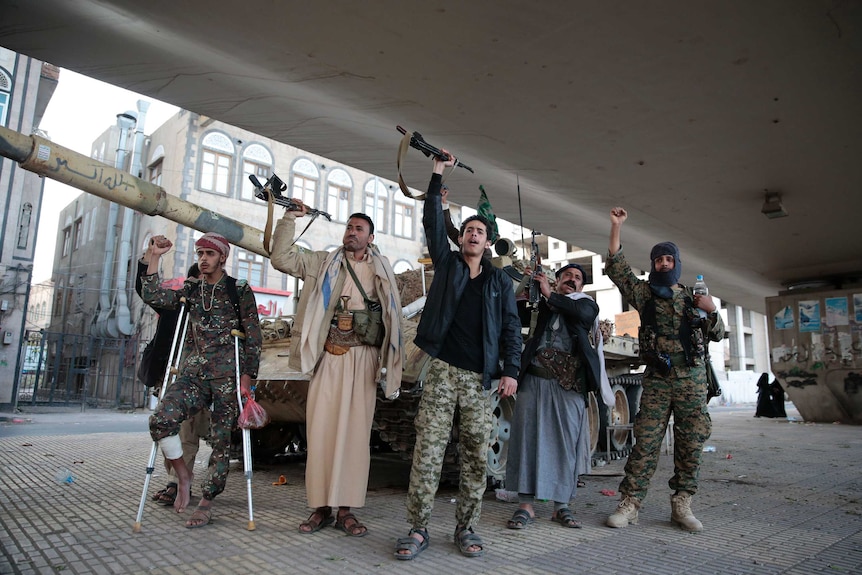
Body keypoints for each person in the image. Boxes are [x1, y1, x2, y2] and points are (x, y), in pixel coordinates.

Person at [394, 150, 522, 560]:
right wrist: (436, 176)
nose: (472, 234)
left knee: (473, 455)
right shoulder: (447, 266)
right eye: (467, 229)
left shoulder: (499, 282)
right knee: (428, 452)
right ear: (461, 237)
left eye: (479, 231)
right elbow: (432, 222)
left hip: (479, 380)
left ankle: (466, 528)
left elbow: (510, 330)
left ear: (487, 243)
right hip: (443, 371)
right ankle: (417, 529)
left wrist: (511, 371)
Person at [270, 208, 403, 537]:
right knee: (321, 431)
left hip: (364, 358)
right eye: (349, 226)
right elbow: (281, 258)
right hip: (329, 356)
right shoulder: (322, 263)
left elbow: (393, 317)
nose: (351, 232)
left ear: (370, 238)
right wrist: (288, 219)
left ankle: (346, 509)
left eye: (359, 229)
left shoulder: (381, 269)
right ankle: (320, 507)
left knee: (356, 437)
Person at [604, 207, 725, 533]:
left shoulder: (693, 298)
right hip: (658, 379)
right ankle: (630, 504)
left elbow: (717, 334)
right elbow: (618, 269)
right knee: (645, 443)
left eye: (668, 259)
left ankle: (682, 503)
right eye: (659, 260)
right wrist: (617, 226)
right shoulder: (644, 294)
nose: (663, 264)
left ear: (677, 264)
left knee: (691, 443)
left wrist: (711, 311)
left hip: (691, 379)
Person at [143, 232, 262, 528]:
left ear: (222, 257)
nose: (203, 259)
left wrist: (247, 377)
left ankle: (207, 501)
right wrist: (155, 257)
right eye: (199, 254)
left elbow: (254, 336)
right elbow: (154, 296)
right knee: (161, 419)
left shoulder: (239, 290)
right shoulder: (192, 289)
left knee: (222, 442)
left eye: (209, 254)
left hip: (227, 377)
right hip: (192, 375)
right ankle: (183, 475)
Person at [505, 263, 614, 529]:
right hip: (534, 380)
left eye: (577, 278)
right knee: (527, 440)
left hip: (569, 387)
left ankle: (561, 506)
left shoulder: (587, 306)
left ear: (582, 286)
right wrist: (527, 285)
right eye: (567, 276)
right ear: (558, 280)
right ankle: (526, 506)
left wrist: (550, 295)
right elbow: (509, 311)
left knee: (565, 445)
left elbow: (580, 313)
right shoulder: (541, 304)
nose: (572, 280)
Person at [135, 249, 209, 507]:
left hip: (199, 380)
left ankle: (178, 483)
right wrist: (152, 257)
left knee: (187, 432)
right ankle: (176, 478)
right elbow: (146, 291)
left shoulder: (218, 307)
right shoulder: (176, 303)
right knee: (168, 429)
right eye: (201, 279)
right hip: (172, 377)